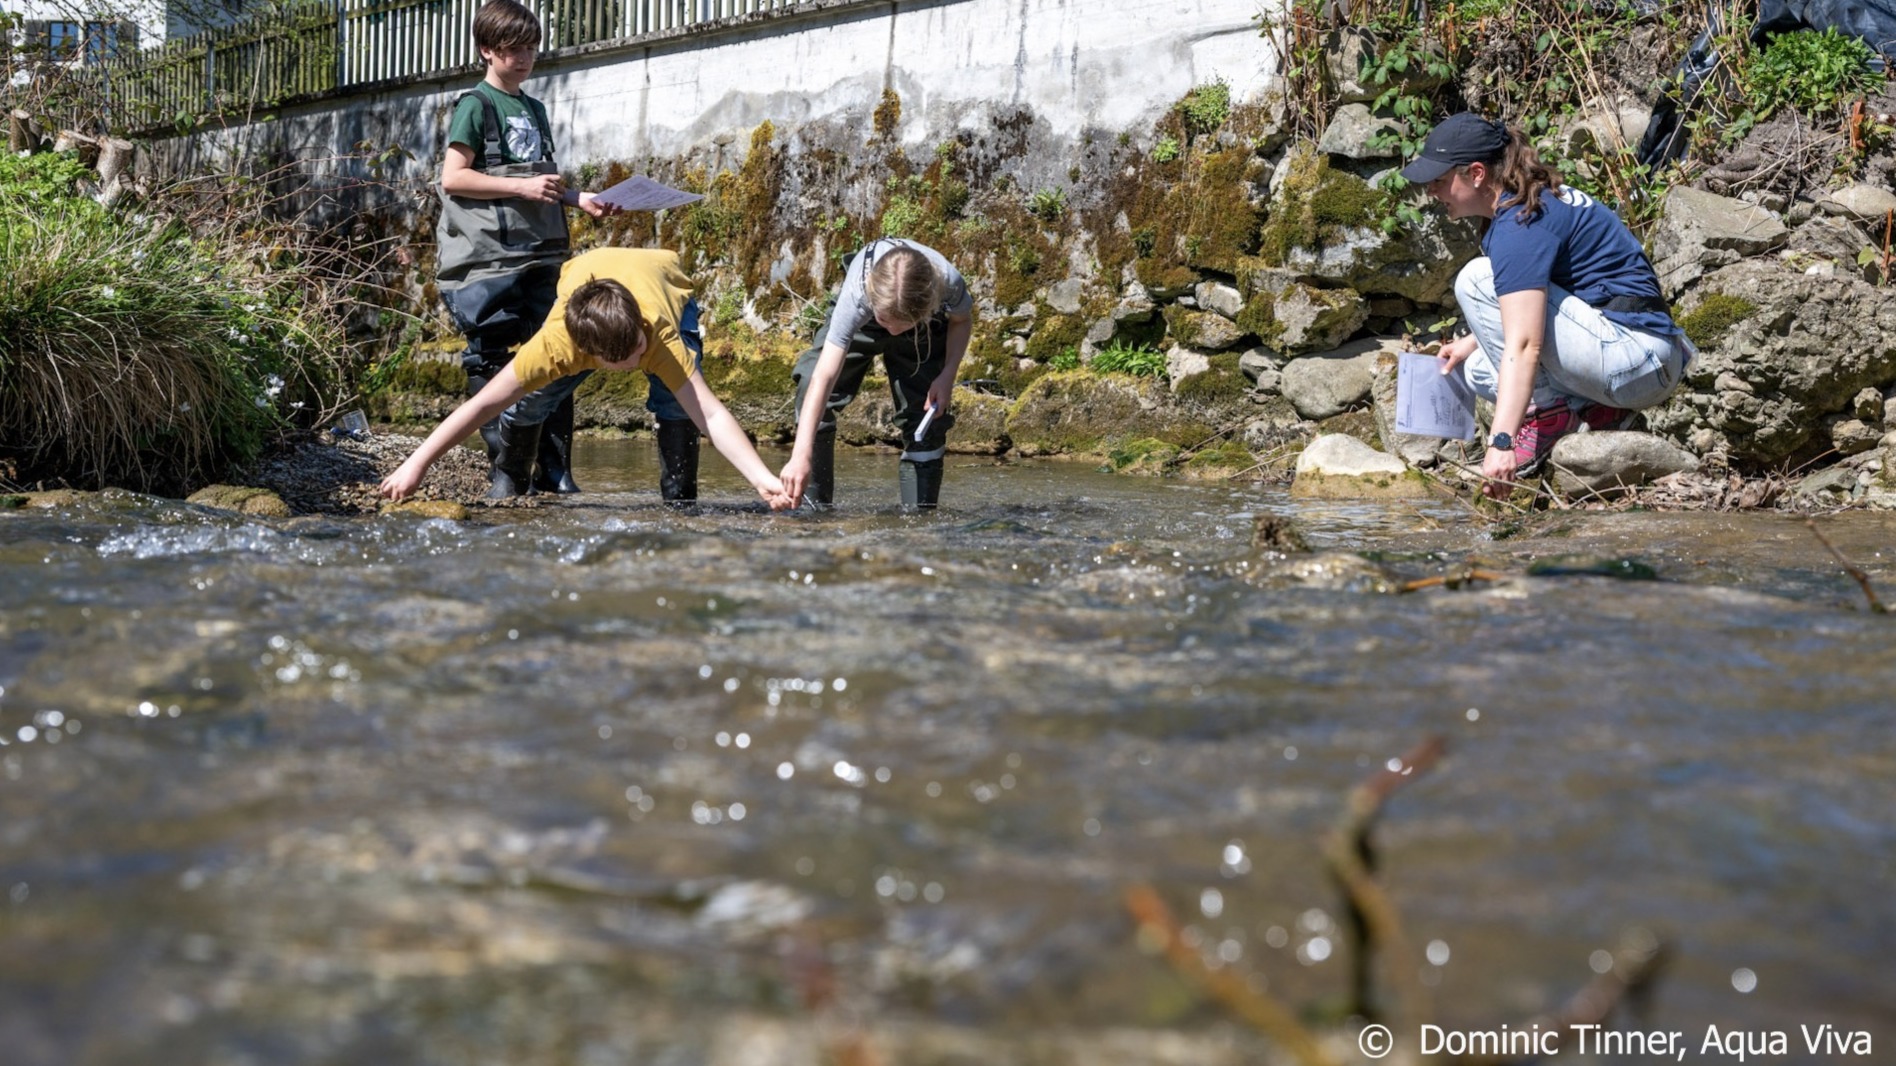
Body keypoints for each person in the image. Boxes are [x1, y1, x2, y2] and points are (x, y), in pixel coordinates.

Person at [1404, 113, 1693, 499]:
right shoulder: (1526, 203)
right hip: (1637, 357)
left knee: (1475, 278)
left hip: (1637, 357)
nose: (1431, 193)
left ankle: (1548, 415)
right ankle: (1600, 413)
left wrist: (1501, 441)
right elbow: (1537, 301)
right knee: (1475, 370)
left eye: (1438, 181)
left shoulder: (1519, 224)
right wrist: (1471, 342)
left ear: (1476, 174)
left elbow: (1525, 344)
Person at [380, 248, 793, 511]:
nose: (638, 358)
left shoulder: (656, 334)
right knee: (533, 400)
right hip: (584, 275)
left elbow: (711, 415)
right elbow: (482, 405)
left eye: (637, 347)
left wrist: (763, 481)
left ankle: (679, 500)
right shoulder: (555, 346)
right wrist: (415, 466)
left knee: (676, 402)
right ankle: (511, 480)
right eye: (627, 358)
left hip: (664, 279)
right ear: (589, 357)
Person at [435, 0, 618, 497]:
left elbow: (543, 182)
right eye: (513, 49)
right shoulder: (475, 105)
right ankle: (509, 466)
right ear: (487, 51)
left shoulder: (535, 108)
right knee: (491, 358)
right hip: (488, 260)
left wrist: (583, 200)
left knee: (559, 353)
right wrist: (520, 189)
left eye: (531, 48)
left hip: (541, 253)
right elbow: (454, 178)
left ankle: (557, 471)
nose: (524, 58)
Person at [779, 238, 974, 509]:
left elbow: (961, 321)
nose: (893, 331)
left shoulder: (948, 283)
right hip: (869, 315)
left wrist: (947, 376)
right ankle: (814, 513)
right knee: (810, 381)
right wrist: (800, 454)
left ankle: (920, 523)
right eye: (887, 322)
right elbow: (824, 375)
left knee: (928, 417)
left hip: (923, 329)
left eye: (900, 325)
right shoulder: (857, 295)